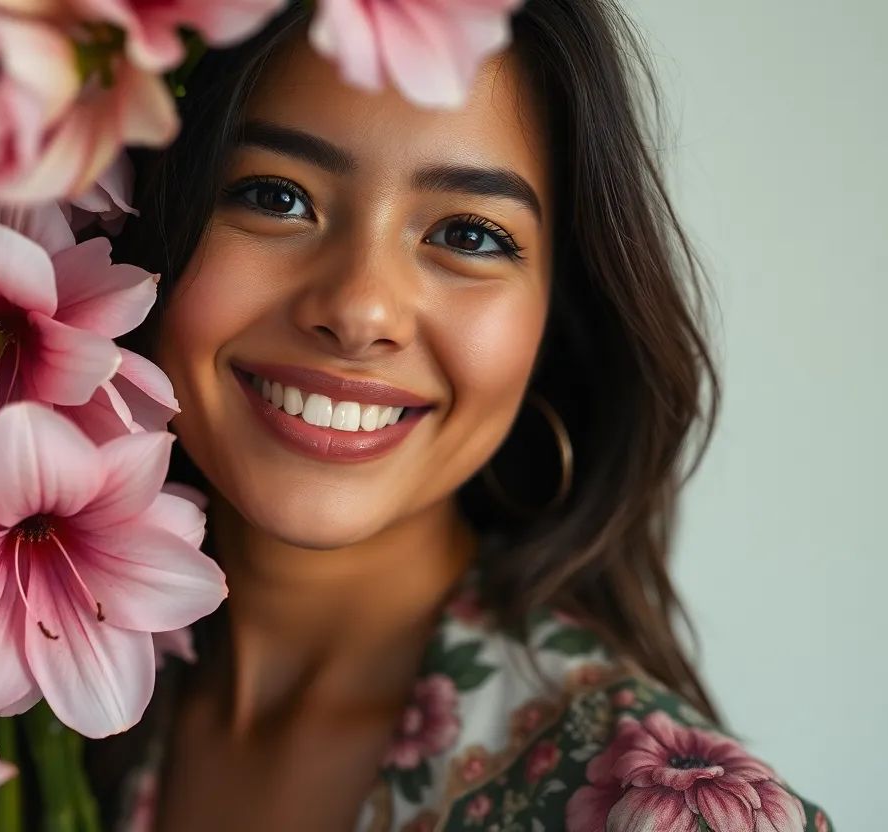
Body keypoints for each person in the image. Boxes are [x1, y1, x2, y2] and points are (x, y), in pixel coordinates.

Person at [89, 2, 833, 831]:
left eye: (470, 236)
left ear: (557, 319)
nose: (361, 308)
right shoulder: (28, 694)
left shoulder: (670, 819)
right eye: (276, 195)